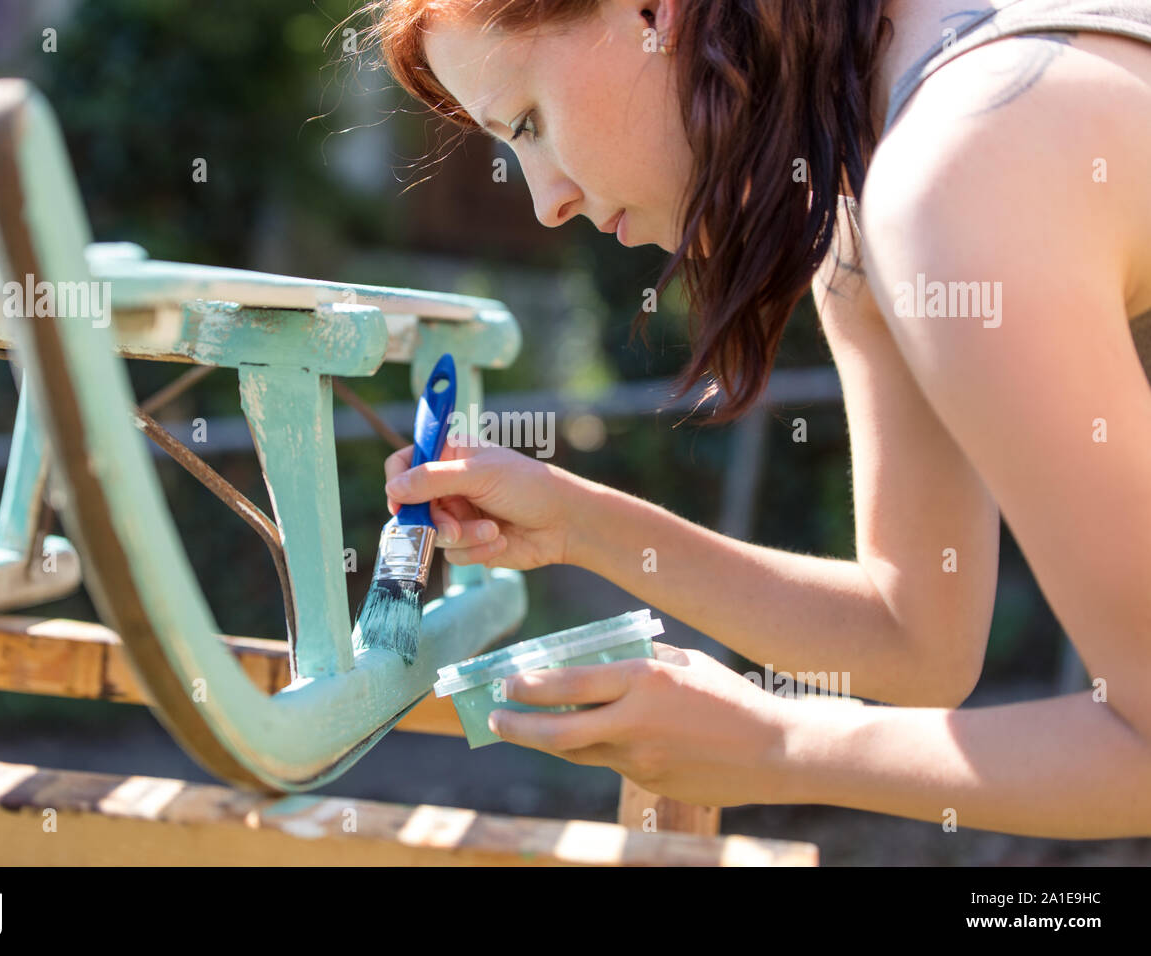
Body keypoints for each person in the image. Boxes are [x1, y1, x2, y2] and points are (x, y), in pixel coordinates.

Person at [350, 0, 1151, 837]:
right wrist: (575, 521)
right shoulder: (868, 206)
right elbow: (918, 644)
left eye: (527, 120)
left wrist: (774, 741)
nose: (545, 201)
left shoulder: (954, 172)